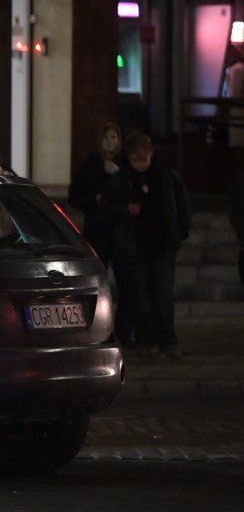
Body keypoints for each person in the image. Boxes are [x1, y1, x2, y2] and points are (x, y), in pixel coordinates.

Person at [106, 133, 190, 358]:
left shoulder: (166, 175)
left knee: (162, 294)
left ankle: (166, 340)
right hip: (135, 246)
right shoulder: (122, 179)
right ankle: (146, 339)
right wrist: (126, 211)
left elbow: (181, 206)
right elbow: (108, 209)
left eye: (144, 158)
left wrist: (179, 233)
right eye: (136, 159)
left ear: (150, 153)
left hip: (161, 245)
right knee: (140, 296)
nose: (141, 164)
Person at [67, 123, 124, 263]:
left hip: (120, 228)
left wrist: (117, 174)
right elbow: (75, 195)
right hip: (96, 227)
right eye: (106, 137)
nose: (110, 141)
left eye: (113, 137)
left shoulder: (124, 162)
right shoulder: (91, 163)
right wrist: (94, 199)